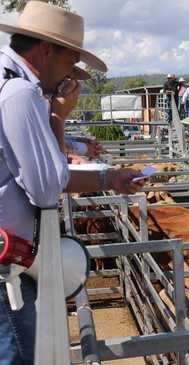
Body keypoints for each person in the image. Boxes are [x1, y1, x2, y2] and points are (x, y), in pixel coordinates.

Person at [0, 3, 145, 363]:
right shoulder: (20, 94)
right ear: (46, 50)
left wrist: (108, 177)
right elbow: (46, 188)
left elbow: (36, 174)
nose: (71, 77)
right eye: (70, 62)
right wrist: (58, 119)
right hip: (8, 271)